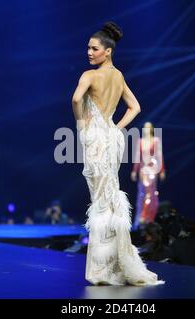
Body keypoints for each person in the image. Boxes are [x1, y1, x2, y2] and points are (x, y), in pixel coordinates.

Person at [72, 21, 164, 286]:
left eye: (94, 48)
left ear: (108, 51)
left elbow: (76, 99)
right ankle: (116, 264)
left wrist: (82, 125)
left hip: (96, 140)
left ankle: (102, 270)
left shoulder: (90, 76)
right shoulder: (119, 76)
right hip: (111, 139)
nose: (89, 52)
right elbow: (135, 107)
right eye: (88, 48)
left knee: (102, 202)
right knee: (110, 200)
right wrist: (115, 127)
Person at [131, 122, 166, 230]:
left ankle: (148, 217)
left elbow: (159, 155)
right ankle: (143, 217)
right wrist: (134, 170)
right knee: (143, 193)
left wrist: (162, 170)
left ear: (151, 129)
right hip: (143, 169)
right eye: (145, 127)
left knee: (151, 194)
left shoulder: (156, 141)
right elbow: (137, 157)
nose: (146, 129)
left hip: (152, 169)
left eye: (148, 127)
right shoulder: (140, 141)